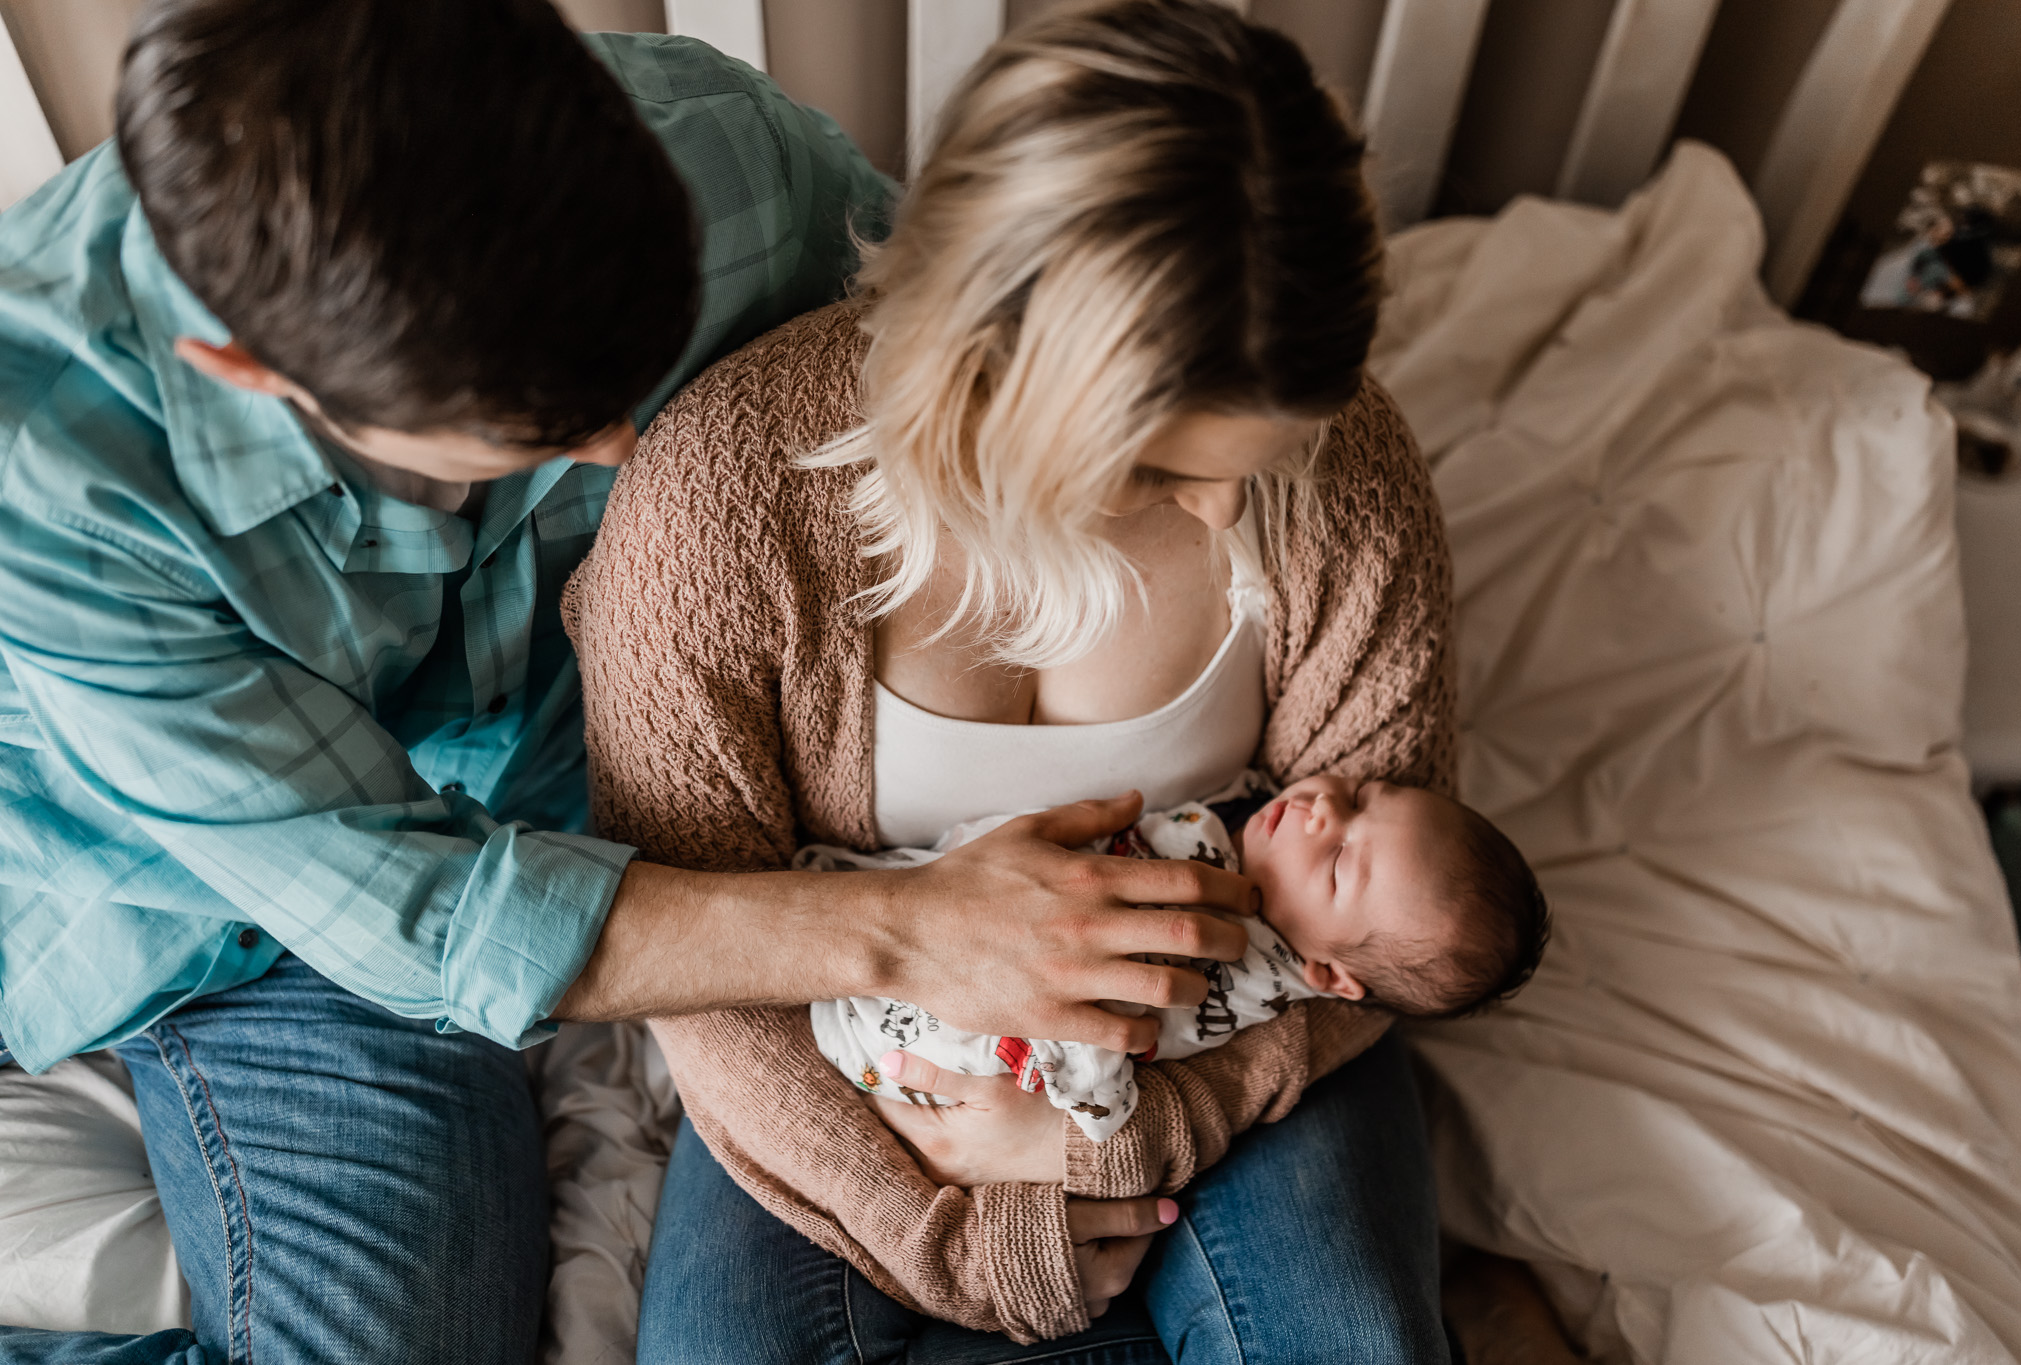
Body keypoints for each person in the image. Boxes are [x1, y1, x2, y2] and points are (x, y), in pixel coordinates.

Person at [0, 3, 1261, 1362]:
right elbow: (422, 912)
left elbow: (958, 361)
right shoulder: (50, 471)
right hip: (246, 902)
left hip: (598, 779)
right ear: (249, 371)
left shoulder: (719, 154)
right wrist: (913, 929)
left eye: (628, 385)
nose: (616, 449)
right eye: (529, 433)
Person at [565, 1, 1463, 1357]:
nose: (1223, 515)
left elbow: (1391, 914)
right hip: (842, 1068)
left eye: (1262, 455)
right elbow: (699, 958)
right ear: (991, 372)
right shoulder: (717, 511)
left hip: (1222, 1047)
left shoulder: (1344, 474)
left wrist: (1123, 1133)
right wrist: (950, 1232)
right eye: (1159, 468)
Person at [810, 771, 1550, 1142]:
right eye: (1359, 791)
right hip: (897, 921)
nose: (1324, 808)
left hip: (923, 1022)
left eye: (1336, 865)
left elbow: (1100, 1010)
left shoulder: (1232, 965)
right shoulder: (1244, 840)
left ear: (1327, 974)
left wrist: (1096, 1114)